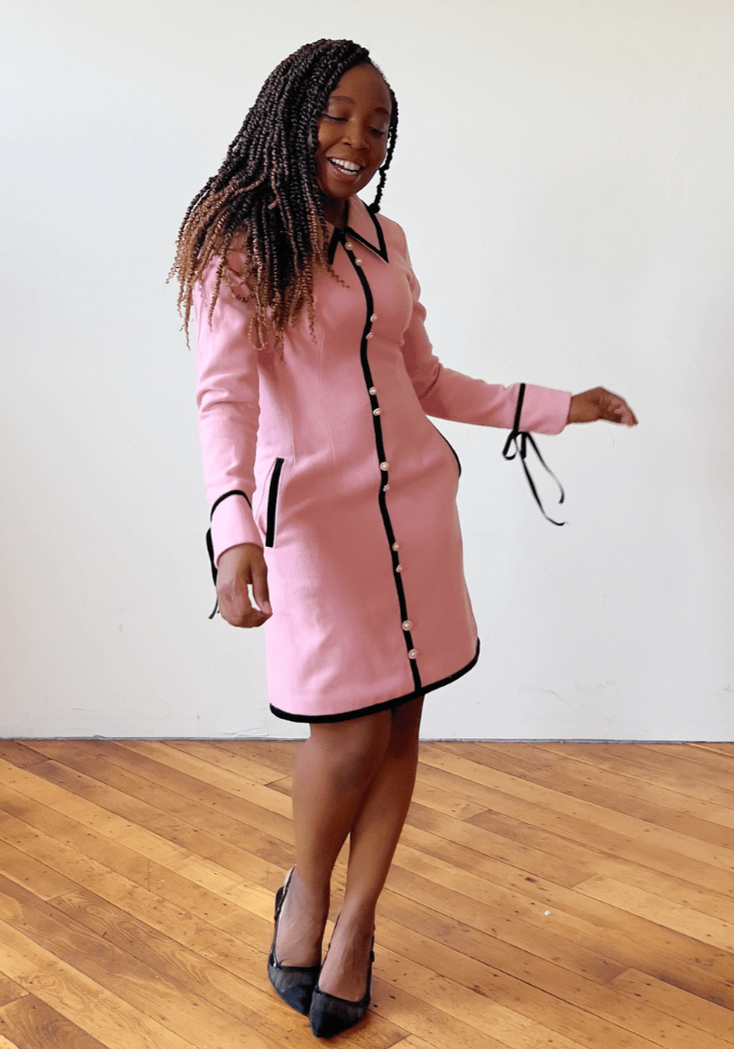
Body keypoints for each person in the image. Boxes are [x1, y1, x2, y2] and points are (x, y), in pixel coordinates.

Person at [172, 39, 637, 1038]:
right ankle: (307, 893)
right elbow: (225, 399)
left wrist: (560, 404)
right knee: (344, 737)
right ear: (291, 113)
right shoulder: (238, 244)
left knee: (402, 722)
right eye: (338, 114)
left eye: (378, 124)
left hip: (418, 514)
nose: (358, 138)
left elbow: (425, 382)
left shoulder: (388, 239)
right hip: (319, 530)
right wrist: (233, 530)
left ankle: (355, 926)